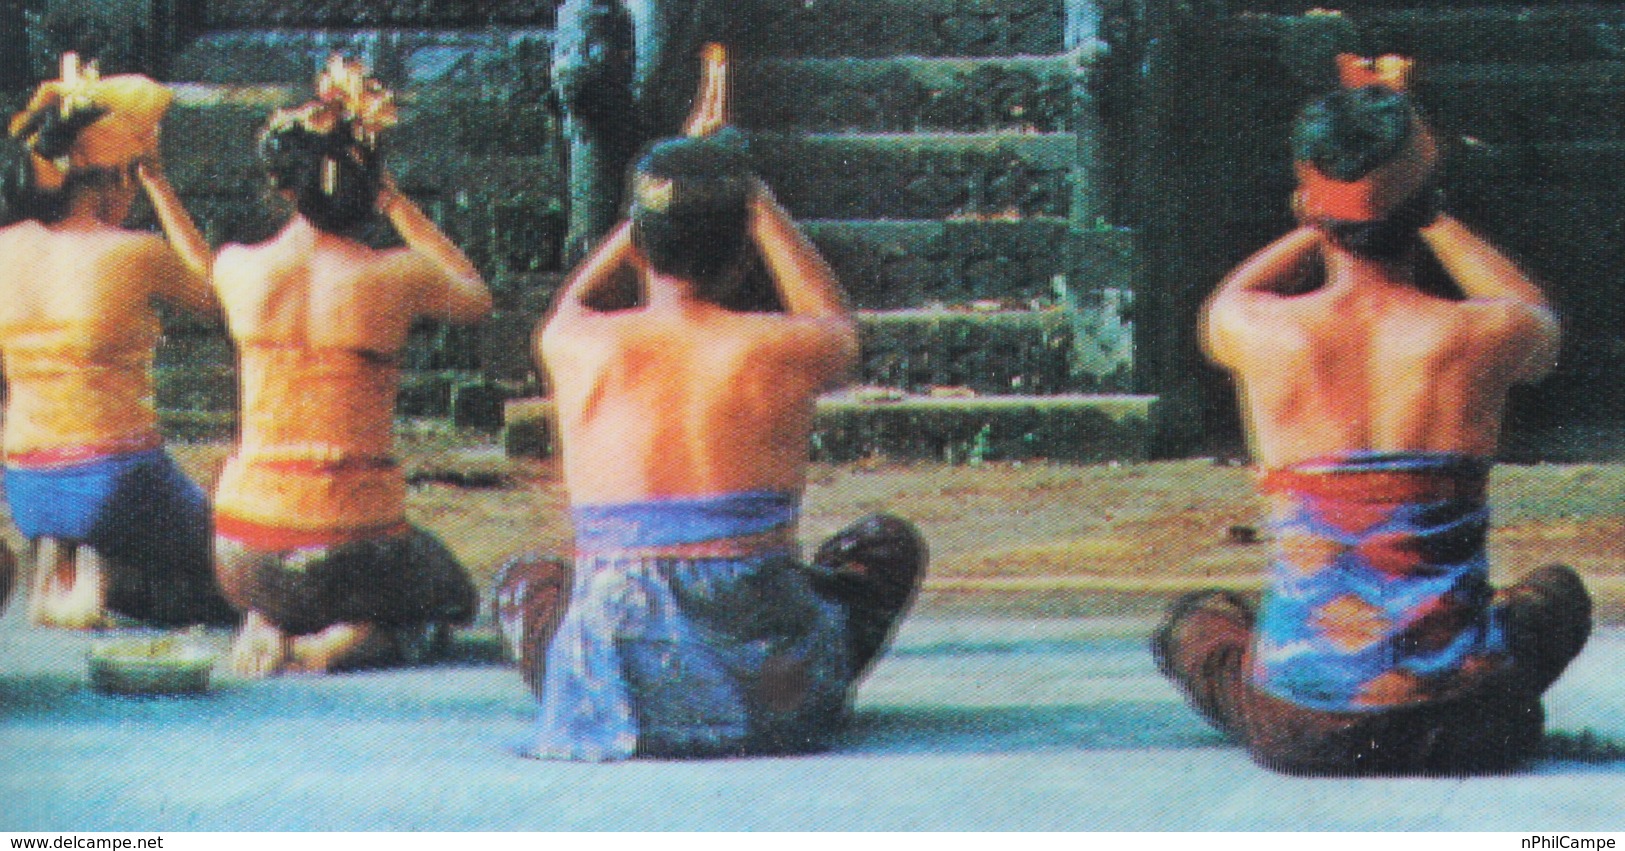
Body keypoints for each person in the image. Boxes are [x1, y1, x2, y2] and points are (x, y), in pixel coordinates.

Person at [1152, 54, 1592, 775]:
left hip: (1304, 728)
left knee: (1199, 621)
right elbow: (1534, 314)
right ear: (1425, 205)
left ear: (1308, 205)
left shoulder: (1253, 325)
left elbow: (1222, 301)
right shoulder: (1483, 334)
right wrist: (1421, 201)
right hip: (1472, 722)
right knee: (1555, 594)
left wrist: (1321, 216)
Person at [499, 69, 926, 760]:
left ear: (642, 243)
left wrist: (657, 198)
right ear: (741, 255)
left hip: (617, 674)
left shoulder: (574, 342)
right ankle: (785, 703)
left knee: (526, 583)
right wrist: (750, 193)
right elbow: (832, 318)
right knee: (881, 548)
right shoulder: (778, 343)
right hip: (765, 689)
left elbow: (571, 298)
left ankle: (603, 704)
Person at [210, 57, 492, 677]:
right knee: (452, 594)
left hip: (240, 552)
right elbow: (474, 296)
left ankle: (266, 617)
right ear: (369, 185)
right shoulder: (396, 274)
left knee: (278, 566)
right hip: (353, 548)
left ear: (283, 186)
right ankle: (354, 634)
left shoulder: (235, 266)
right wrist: (399, 206)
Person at [0, 54, 233, 630]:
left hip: (24, 483)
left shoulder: (6, 246)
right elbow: (221, 296)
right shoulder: (135, 252)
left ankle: (61, 558)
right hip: (120, 480)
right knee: (233, 584)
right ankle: (101, 575)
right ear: (119, 178)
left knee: (82, 491)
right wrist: (162, 188)